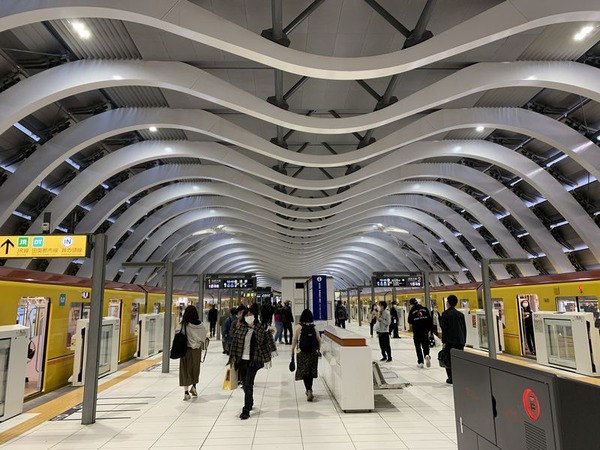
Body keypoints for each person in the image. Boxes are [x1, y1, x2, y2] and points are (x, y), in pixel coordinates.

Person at [229, 303, 277, 420]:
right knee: (245, 385)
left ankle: (246, 409)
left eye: (251, 315)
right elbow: (235, 342)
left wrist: (260, 331)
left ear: (255, 316)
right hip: (241, 361)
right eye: (247, 315)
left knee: (248, 384)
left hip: (253, 361)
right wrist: (233, 358)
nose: (249, 317)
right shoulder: (241, 328)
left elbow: (261, 341)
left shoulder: (259, 328)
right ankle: (250, 402)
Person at [176, 305, 207, 401]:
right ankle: (194, 386)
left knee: (185, 370)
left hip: (185, 350)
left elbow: (177, 333)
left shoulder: (183, 324)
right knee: (195, 368)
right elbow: (204, 337)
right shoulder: (200, 325)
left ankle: (186, 393)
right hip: (196, 350)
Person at [291, 309, 321, 402]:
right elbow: (319, 340)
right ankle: (310, 389)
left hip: (302, 353)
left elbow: (294, 340)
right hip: (312, 353)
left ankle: (308, 390)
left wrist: (292, 351)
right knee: (310, 372)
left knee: (304, 372)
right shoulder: (314, 328)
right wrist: (318, 350)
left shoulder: (298, 327)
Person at [440, 294, 467, 384]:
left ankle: (451, 378)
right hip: (460, 341)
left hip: (449, 341)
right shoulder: (461, 315)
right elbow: (464, 328)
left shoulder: (445, 314)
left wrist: (444, 342)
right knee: (458, 360)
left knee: (448, 360)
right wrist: (463, 341)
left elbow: (444, 329)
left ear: (447, 303)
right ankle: (459, 377)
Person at [407, 298, 432, 368]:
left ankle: (420, 362)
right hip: (424, 331)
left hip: (417, 332)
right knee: (425, 345)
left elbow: (409, 321)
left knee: (418, 347)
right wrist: (428, 330)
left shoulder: (412, 311)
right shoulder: (425, 309)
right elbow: (429, 320)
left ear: (411, 304)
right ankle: (426, 355)